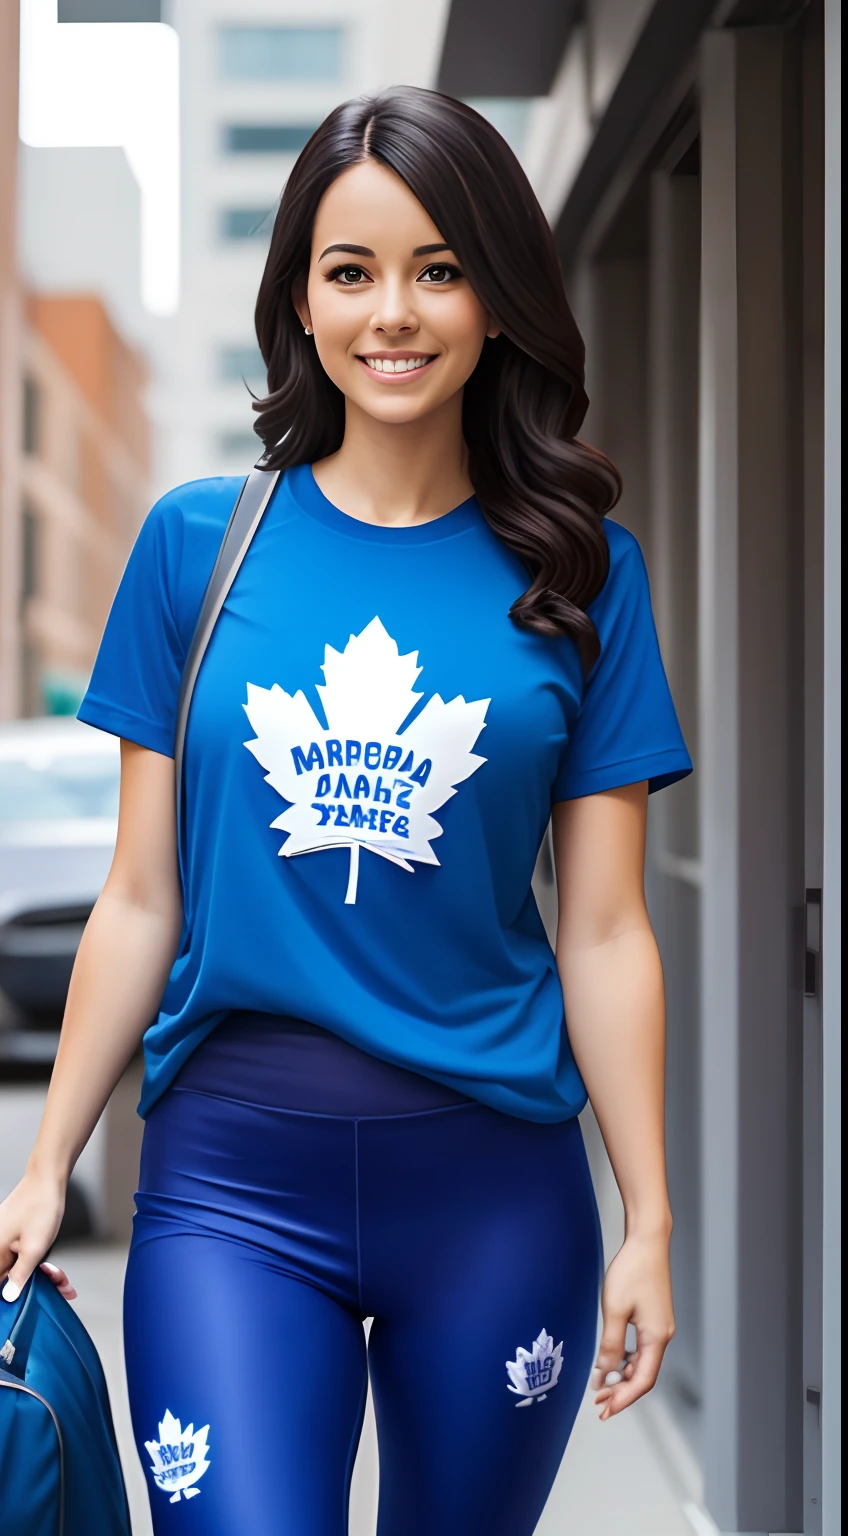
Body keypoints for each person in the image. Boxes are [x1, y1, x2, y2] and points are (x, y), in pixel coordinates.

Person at [0, 88, 692, 1534]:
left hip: (498, 1195)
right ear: (300, 302)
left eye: (442, 268)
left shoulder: (584, 576)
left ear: (499, 299)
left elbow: (608, 927)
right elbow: (140, 897)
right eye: (352, 270)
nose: (397, 311)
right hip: (231, 1189)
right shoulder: (198, 548)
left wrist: (652, 1218)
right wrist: (46, 1159)